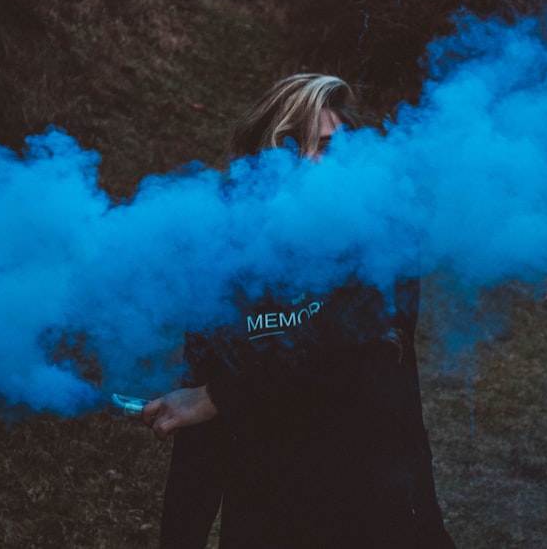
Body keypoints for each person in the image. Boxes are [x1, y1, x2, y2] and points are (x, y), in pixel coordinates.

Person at [144, 73, 456, 549]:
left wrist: (222, 394)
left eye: (327, 148)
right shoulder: (225, 255)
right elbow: (201, 425)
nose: (310, 165)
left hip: (376, 513)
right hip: (268, 517)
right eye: (291, 148)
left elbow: (345, 339)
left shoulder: (380, 236)